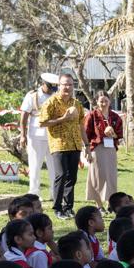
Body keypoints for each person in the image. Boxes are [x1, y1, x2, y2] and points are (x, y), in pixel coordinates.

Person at [39, 73, 88, 220]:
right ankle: (57, 208)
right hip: (59, 144)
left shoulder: (77, 104)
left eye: (70, 84)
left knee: (71, 177)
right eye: (64, 84)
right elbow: (42, 123)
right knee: (60, 176)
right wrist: (63, 118)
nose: (67, 87)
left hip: (75, 144)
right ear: (59, 85)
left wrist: (87, 145)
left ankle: (68, 207)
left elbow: (81, 126)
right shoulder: (51, 102)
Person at [19, 73, 59, 201]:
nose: (52, 90)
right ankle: (34, 193)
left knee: (54, 166)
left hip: (53, 135)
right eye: (50, 87)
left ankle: (55, 193)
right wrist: (22, 135)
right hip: (36, 135)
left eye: (54, 88)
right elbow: (24, 116)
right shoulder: (32, 96)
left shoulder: (56, 96)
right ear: (44, 84)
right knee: (35, 165)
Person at [84, 90, 122, 212]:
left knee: (111, 177)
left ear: (110, 101)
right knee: (96, 176)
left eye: (106, 101)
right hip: (96, 149)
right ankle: (99, 205)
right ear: (96, 102)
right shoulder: (92, 115)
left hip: (110, 149)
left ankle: (111, 203)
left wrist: (112, 132)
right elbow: (85, 134)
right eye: (101, 101)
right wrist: (87, 150)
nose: (104, 103)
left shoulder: (115, 117)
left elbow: (119, 135)